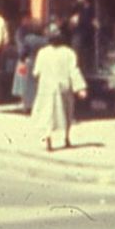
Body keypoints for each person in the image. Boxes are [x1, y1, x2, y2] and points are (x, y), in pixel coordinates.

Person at [28, 20, 87, 151]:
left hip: (46, 88)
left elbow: (36, 72)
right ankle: (66, 137)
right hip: (63, 87)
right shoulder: (69, 53)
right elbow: (74, 71)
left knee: (47, 114)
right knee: (67, 112)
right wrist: (80, 88)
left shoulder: (43, 53)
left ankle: (48, 138)